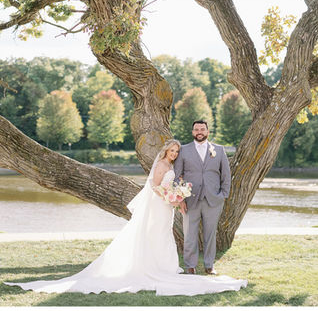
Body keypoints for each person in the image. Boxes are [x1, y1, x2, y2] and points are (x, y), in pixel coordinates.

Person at [4, 139, 246, 296]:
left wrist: (176, 196)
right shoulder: (161, 165)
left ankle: (167, 267)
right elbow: (153, 185)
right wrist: (170, 197)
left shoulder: (173, 164)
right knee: (156, 234)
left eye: (176, 151)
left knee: (162, 236)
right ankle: (153, 267)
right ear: (165, 151)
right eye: (171, 151)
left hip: (168, 205)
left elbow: (173, 184)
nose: (173, 154)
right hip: (161, 205)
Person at [174, 120, 231, 275]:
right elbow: (177, 175)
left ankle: (209, 265)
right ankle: (190, 266)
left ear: (207, 131)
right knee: (190, 235)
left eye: (202, 129)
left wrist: (223, 195)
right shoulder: (184, 150)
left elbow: (226, 175)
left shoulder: (218, 150)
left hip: (213, 200)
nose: (199, 131)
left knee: (210, 235)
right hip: (190, 200)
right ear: (193, 132)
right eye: (196, 129)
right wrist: (180, 199)